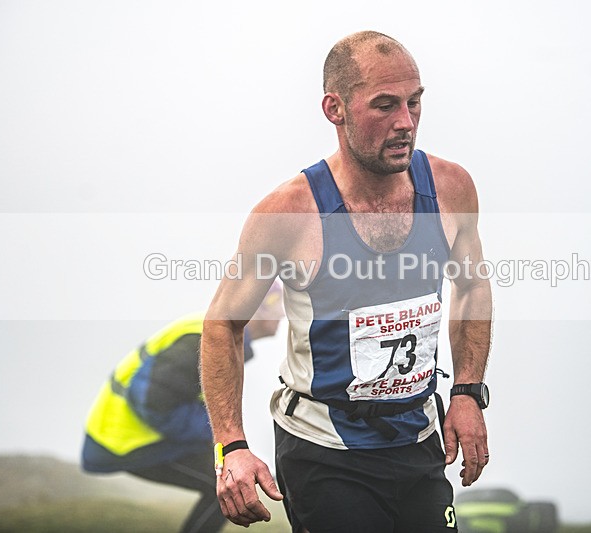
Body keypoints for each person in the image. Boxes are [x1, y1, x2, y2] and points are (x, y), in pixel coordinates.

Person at [201, 30, 493, 532]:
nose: (405, 123)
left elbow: (472, 287)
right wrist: (232, 446)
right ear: (334, 109)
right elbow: (222, 326)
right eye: (384, 106)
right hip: (325, 453)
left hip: (419, 439)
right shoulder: (289, 213)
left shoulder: (449, 188)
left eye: (414, 102)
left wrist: (467, 391)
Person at [81, 282, 284, 533]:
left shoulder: (218, 336)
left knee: (231, 479)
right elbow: (155, 401)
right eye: (276, 304)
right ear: (252, 308)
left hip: (140, 435)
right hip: (124, 440)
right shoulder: (202, 338)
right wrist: (214, 435)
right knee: (228, 483)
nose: (283, 313)